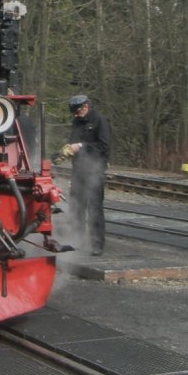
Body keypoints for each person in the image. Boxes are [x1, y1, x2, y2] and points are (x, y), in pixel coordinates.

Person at [65, 94, 111, 256]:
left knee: (94, 208)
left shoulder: (99, 121)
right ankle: (77, 240)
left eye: (78, 112)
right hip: (78, 170)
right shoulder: (77, 122)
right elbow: (73, 143)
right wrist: (66, 151)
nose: (76, 116)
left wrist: (81, 146)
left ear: (85, 107)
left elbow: (104, 146)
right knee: (77, 206)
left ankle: (97, 244)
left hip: (94, 170)